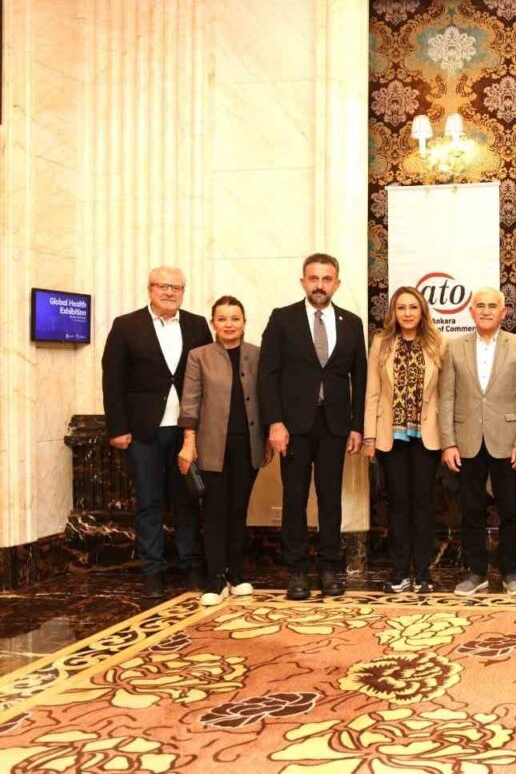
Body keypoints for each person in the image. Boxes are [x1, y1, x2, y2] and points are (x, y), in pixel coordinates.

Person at [258, 253, 367, 600]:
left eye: (327, 279)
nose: (320, 285)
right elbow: (268, 374)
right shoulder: (282, 318)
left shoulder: (352, 323)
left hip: (335, 425)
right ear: (303, 281)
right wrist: (275, 422)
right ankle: (297, 571)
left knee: (330, 498)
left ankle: (330, 567)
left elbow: (360, 378)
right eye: (314, 278)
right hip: (293, 426)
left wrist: (357, 426)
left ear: (337, 283)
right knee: (294, 498)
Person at [102, 266, 213, 599]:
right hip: (143, 432)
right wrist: (118, 427)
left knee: (187, 501)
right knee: (149, 502)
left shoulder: (197, 325)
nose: (169, 292)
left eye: (176, 287)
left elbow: (208, 375)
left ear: (183, 292)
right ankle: (153, 571)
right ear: (150, 289)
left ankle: (191, 566)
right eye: (163, 286)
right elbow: (112, 379)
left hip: (186, 432)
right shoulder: (126, 325)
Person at [440, 287, 516, 597]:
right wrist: (448, 443)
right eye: (479, 305)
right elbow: (447, 397)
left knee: (510, 510)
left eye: (492, 306)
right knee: (471, 510)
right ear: (471, 311)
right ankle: (476, 572)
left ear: (503, 312)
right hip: (466, 441)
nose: (485, 310)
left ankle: (511, 572)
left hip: (508, 441)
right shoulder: (454, 347)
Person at [177, 296, 270, 606]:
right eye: (222, 319)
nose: (229, 324)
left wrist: (267, 438)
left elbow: (266, 398)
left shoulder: (257, 354)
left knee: (239, 510)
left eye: (235, 318)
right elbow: (190, 402)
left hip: (249, 445)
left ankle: (236, 574)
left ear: (244, 322)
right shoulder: (199, 356)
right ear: (213, 323)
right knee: (215, 511)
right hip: (211, 446)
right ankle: (215, 578)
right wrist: (189, 443)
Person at [363, 286, 444, 594]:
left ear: (422, 311)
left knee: (423, 505)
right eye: (401, 308)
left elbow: (445, 394)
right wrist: (369, 436)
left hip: (427, 436)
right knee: (397, 506)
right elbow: (372, 392)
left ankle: (423, 573)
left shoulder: (438, 342)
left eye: (413, 307)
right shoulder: (381, 343)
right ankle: (398, 572)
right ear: (393, 313)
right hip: (390, 437)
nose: (407, 313)